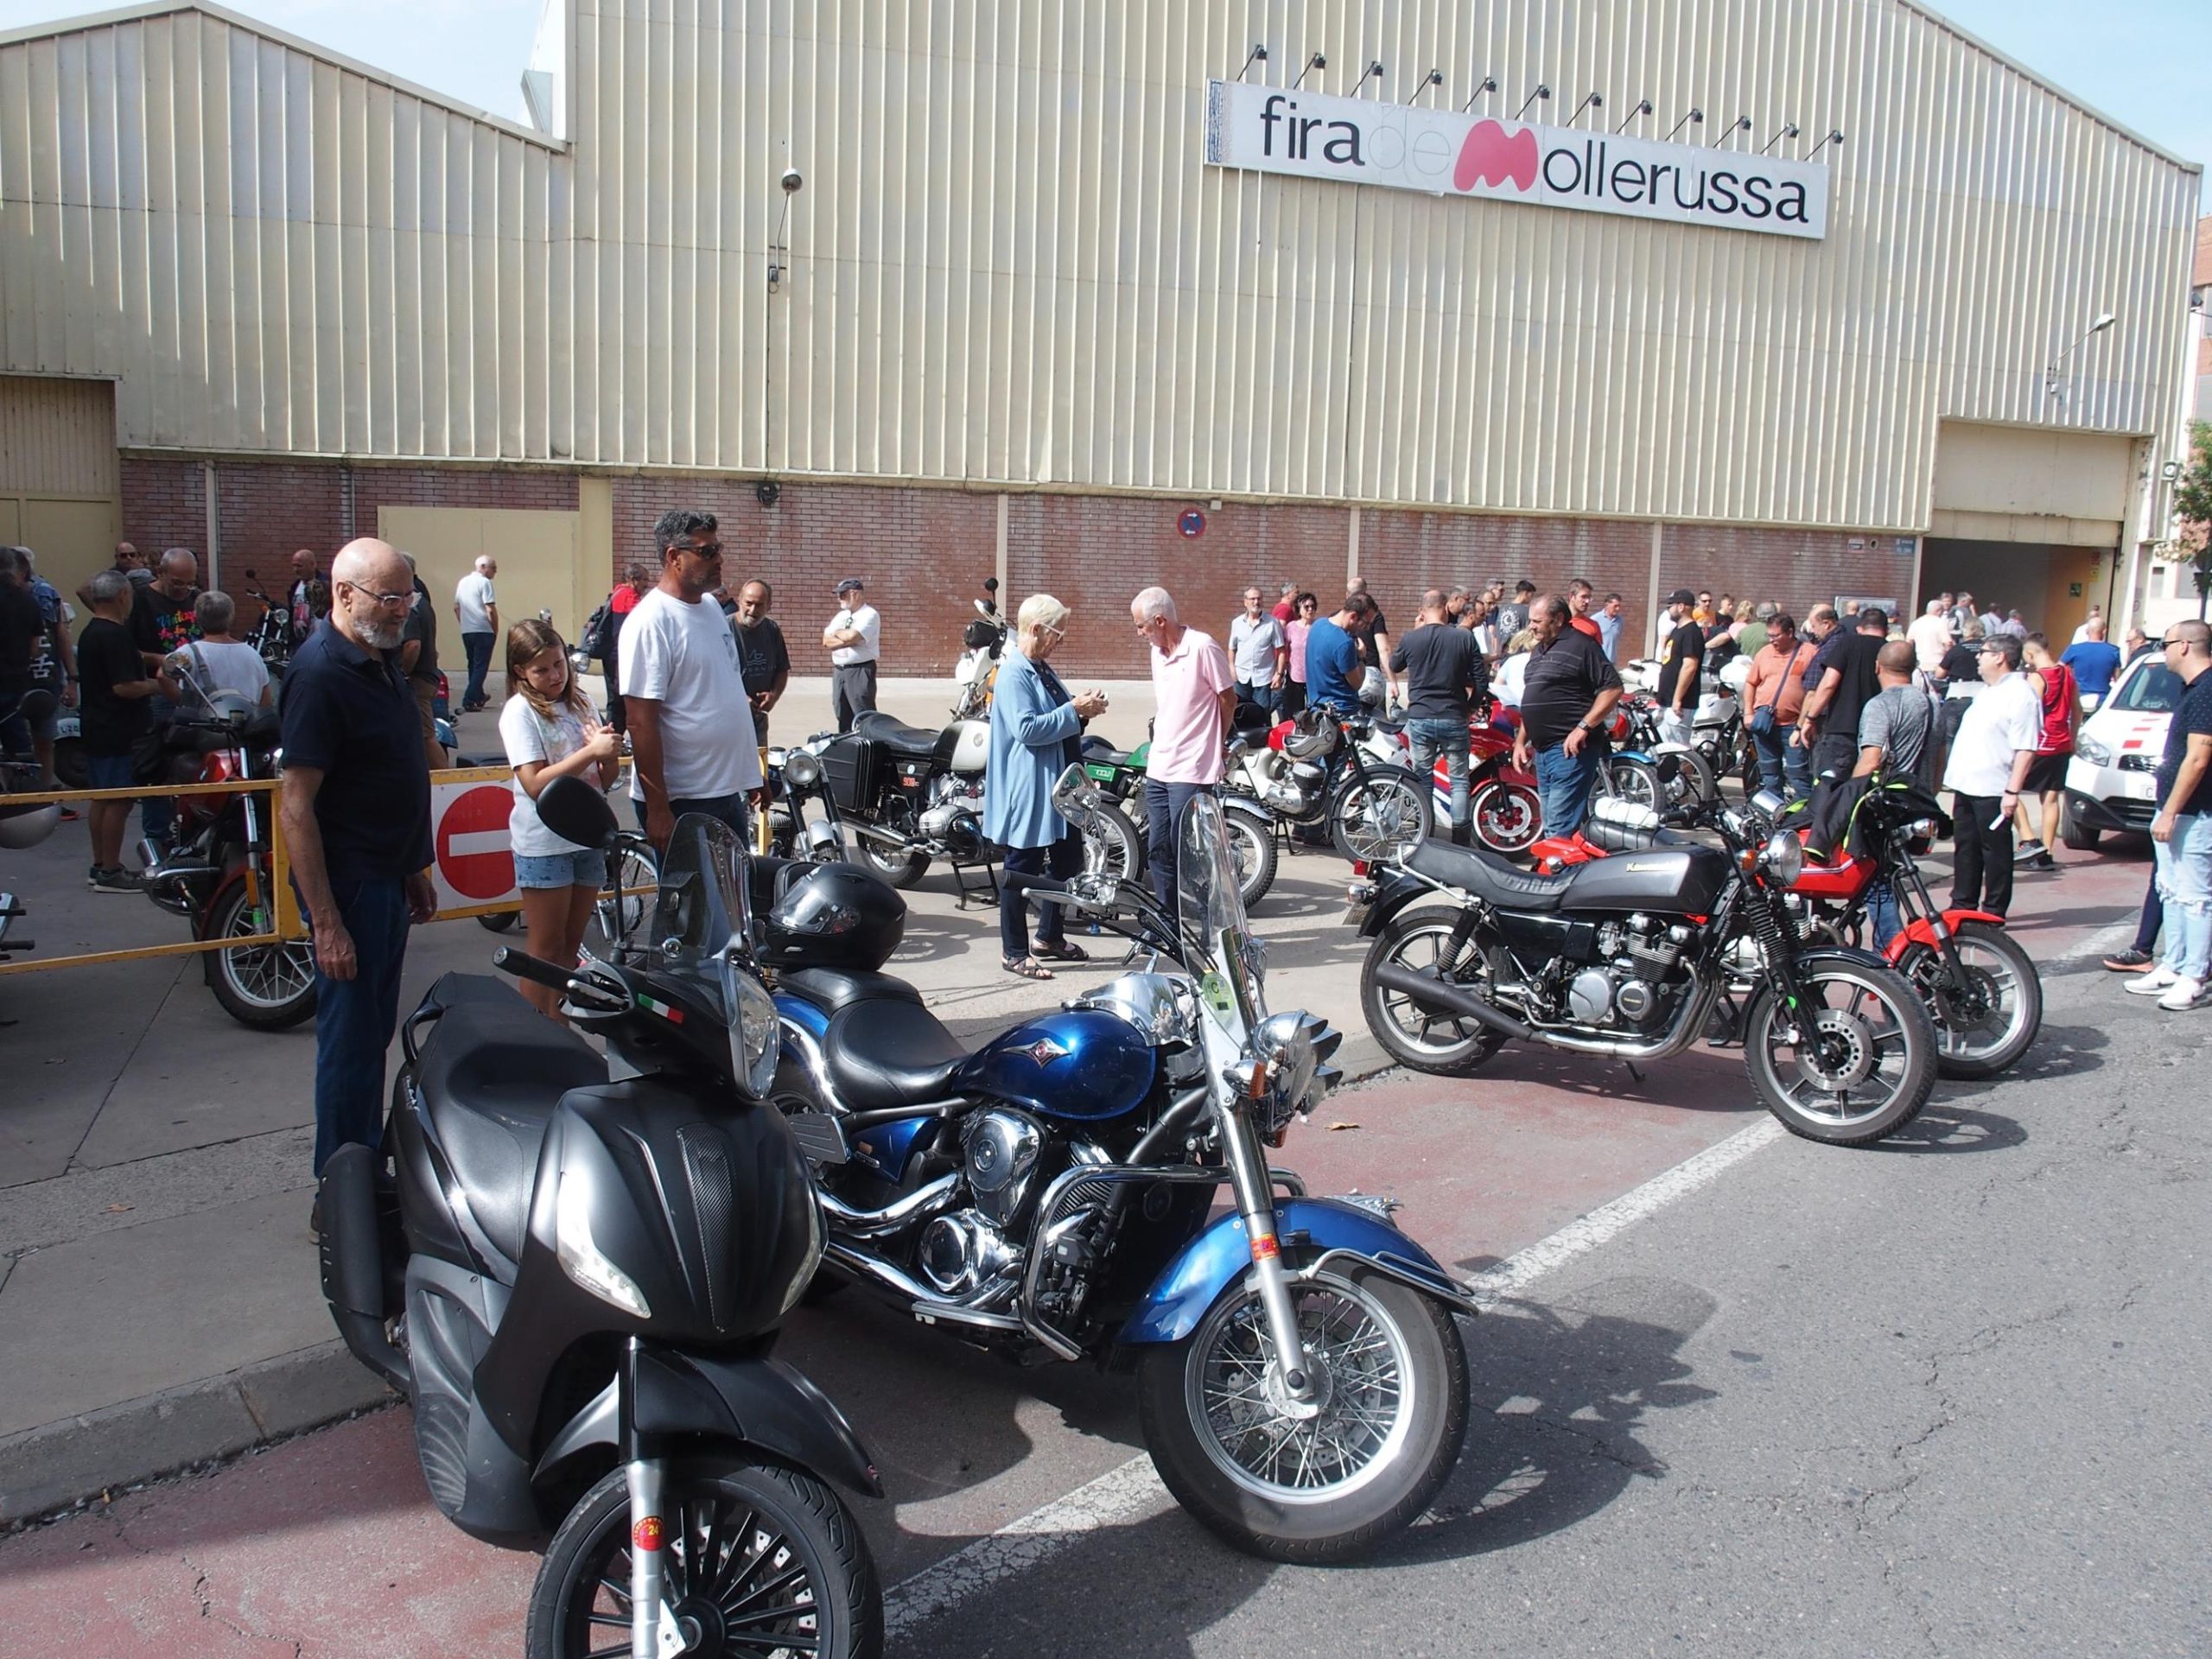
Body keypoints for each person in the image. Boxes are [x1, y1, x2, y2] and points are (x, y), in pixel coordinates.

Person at [279, 538, 436, 1179]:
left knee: (371, 1038)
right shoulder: (320, 674)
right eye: (390, 597)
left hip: (385, 878)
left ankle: (363, 1169)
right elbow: (297, 808)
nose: (403, 610)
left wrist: (412, 866)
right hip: (349, 887)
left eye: (407, 597)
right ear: (344, 595)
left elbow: (384, 776)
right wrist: (326, 921)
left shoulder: (378, 659)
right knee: (348, 1048)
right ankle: (341, 1189)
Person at [499, 617, 621, 1022]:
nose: (554, 675)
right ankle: (534, 1037)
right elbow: (535, 784)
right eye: (542, 669)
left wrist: (607, 756)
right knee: (545, 950)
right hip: (545, 843)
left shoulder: (580, 701)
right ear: (520, 672)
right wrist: (590, 753)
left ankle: (558, 1029)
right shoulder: (520, 713)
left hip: (586, 837)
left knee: (570, 948)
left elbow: (606, 779)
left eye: (559, 664)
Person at [985, 594, 1109, 981]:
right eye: (1057, 632)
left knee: (1067, 860)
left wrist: (1082, 709)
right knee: (1021, 867)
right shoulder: (1014, 673)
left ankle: (1049, 937)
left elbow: (1059, 716)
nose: (1061, 640)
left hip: (1059, 784)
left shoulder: (1041, 667)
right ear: (1036, 630)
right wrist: (1074, 710)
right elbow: (1027, 729)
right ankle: (1014, 951)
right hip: (1031, 787)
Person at [625, 510, 762, 849]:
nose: (719, 559)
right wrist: (657, 808)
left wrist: (749, 773)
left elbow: (725, 693)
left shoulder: (713, 610)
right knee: (694, 901)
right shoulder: (651, 622)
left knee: (733, 897)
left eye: (719, 548)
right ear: (674, 557)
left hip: (725, 790)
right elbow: (641, 723)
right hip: (683, 800)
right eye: (707, 551)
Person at [2123, 621, 2212, 1011]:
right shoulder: (2193, 690)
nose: (2163, 651)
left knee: (2195, 898)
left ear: (2187, 646)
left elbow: (2198, 757)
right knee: (2171, 890)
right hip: (2176, 811)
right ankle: (2173, 965)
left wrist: (2171, 811)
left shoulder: (2208, 690)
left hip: (2195, 813)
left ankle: (2195, 975)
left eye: (2168, 643)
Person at [1131, 587, 1235, 917]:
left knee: (1191, 853)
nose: (1139, 634)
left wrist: (1216, 742)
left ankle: (1211, 926)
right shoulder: (1156, 653)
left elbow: (1228, 698)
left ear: (1160, 620)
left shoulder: (1202, 647)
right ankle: (1167, 921)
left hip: (1192, 769)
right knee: (1158, 848)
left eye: (1142, 626)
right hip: (1160, 765)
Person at [1940, 632, 2041, 919]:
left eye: (1983, 652)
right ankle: (1963, 903)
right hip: (1967, 785)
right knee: (1966, 848)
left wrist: (2012, 792)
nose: (1977, 657)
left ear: (2000, 657)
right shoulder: (1988, 690)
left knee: (1994, 853)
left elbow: (2026, 748)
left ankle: (1994, 910)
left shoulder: (2021, 694)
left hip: (1994, 788)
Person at [73, 570, 162, 892]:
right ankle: (111, 870)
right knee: (119, 801)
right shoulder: (114, 635)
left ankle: (100, 865)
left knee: (102, 798)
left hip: (97, 725)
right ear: (123, 596)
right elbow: (124, 686)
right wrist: (157, 685)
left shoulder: (91, 632)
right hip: (117, 729)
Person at [1847, 641, 1939, 944]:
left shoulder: (1881, 705)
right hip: (1917, 802)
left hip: (1886, 805)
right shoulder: (1931, 704)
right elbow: (1939, 758)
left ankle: (1890, 953)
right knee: (1893, 876)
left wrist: (1847, 799)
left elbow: (1870, 758)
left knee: (1877, 881)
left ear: (1877, 666)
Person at [1513, 594, 1623, 837]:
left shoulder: (1582, 645)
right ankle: (1559, 871)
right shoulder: (1538, 651)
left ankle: (1559, 873)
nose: (1531, 626)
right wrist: (1521, 742)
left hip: (1569, 751)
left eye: (1537, 621)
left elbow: (1613, 688)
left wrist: (1583, 727)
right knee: (1551, 822)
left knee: (1559, 827)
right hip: (1542, 753)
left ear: (1559, 619)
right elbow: (1533, 701)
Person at [1392, 590, 1489, 845]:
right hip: (1454, 716)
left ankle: (1424, 837)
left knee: (1423, 778)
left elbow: (1394, 665)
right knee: (1459, 780)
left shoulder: (1412, 638)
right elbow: (1481, 679)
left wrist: (1416, 630)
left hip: (1421, 715)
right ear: (1446, 608)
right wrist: (1471, 706)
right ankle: (1460, 842)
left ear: (1422, 611)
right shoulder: (1463, 637)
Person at [15, 547, 79, 803]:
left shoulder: (43, 592)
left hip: (43, 673)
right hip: (22, 677)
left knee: (43, 737)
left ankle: (43, 789)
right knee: (31, 738)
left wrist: (71, 678)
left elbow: (60, 635)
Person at [2013, 632, 2079, 872]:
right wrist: (2073, 737)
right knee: (2050, 799)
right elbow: (2077, 709)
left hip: (2040, 743)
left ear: (2030, 653)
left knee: (2009, 789)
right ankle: (2047, 854)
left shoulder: (2037, 678)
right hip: (2061, 742)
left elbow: (2032, 711)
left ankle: (2029, 839)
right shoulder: (2068, 674)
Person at [1799, 607, 1886, 782]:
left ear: (1859, 628)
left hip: (1842, 727)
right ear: (1886, 630)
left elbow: (1828, 684)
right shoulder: (1890, 651)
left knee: (1830, 789)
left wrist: (1810, 719)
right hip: (1877, 733)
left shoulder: (1847, 644)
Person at [1742, 613, 1817, 798]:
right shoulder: (1764, 653)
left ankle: (1802, 819)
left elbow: (1816, 689)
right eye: (1769, 636)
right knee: (1769, 775)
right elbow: (1751, 683)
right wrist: (1748, 713)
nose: (1771, 640)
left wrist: (1807, 723)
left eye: (1776, 636)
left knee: (1799, 775)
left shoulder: (1809, 652)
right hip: (1765, 723)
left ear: (1790, 633)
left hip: (1794, 726)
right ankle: (1774, 815)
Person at [162, 591, 270, 709]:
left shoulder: (189, 652)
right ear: (232, 616)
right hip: (247, 723)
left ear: (196, 616)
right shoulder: (253, 654)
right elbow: (265, 698)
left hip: (204, 723)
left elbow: (162, 676)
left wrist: (184, 703)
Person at [731, 578, 790, 747]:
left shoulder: (772, 629)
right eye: (748, 603)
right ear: (739, 600)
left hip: (758, 715)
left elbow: (782, 669)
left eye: (759, 605)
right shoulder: (724, 629)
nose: (753, 610)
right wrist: (739, 698)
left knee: (758, 767)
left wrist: (774, 696)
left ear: (769, 606)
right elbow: (713, 676)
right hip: (728, 716)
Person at [396, 555, 442, 771]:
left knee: (426, 736)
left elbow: (412, 645)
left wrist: (402, 674)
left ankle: (446, 781)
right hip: (426, 674)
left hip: (418, 678)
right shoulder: (422, 599)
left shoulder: (412, 605)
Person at [823, 576, 880, 733]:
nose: (839, 598)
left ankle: (868, 745)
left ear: (855, 594)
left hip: (860, 670)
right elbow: (826, 641)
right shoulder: (842, 616)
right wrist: (843, 637)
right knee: (841, 710)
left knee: (862, 713)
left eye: (843, 594)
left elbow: (853, 637)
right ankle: (848, 745)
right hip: (840, 671)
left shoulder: (869, 614)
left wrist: (844, 637)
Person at [1303, 594, 1369, 719]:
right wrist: (1361, 658)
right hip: (1342, 713)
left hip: (1316, 708)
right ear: (1353, 616)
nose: (1366, 628)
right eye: (1365, 624)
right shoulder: (1344, 643)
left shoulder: (1318, 625)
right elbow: (1357, 683)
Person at [1653, 588, 1705, 746]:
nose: (1668, 609)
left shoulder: (1691, 632)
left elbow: (1690, 666)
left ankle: (1686, 771)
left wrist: (1677, 699)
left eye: (1670, 606)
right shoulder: (1677, 630)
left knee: (1678, 750)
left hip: (1680, 704)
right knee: (1664, 748)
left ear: (1681, 607)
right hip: (1667, 701)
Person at [1228, 585, 1288, 715]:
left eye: (1259, 599)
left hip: (1263, 679)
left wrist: (1279, 674)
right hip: (1241, 678)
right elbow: (1232, 649)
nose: (1256, 602)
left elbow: (1281, 650)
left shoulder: (1273, 623)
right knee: (1239, 714)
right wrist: (1232, 668)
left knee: (1261, 715)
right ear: (1245, 602)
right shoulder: (1237, 623)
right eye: (1253, 599)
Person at [452, 555, 499, 711]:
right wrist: (495, 629)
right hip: (483, 629)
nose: (495, 572)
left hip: (467, 630)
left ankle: (478, 695)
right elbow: (490, 609)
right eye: (494, 568)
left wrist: (463, 623)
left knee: (473, 663)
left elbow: (457, 607)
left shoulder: (463, 582)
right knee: (481, 666)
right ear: (484, 567)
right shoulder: (485, 583)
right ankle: (469, 699)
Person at [1344, 576, 1396, 705]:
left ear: (1347, 595)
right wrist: (1393, 681)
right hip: (1371, 676)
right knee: (1377, 721)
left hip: (1348, 674)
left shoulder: (1339, 617)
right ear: (1365, 594)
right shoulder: (1375, 615)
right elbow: (1384, 650)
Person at [2060, 618, 2122, 712]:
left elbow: (2058, 669)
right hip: (2103, 699)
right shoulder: (2114, 651)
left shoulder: (2074, 649)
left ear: (2087, 631)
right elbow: (2118, 680)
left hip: (2078, 697)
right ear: (2104, 631)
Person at [1282, 591, 1318, 715]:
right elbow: (1285, 650)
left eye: (1313, 606)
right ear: (1299, 609)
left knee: (1314, 710)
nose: (1310, 610)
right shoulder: (1291, 627)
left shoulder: (1318, 627)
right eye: (1306, 607)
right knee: (1295, 711)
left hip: (1314, 676)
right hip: (1294, 675)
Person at [1907, 599, 1955, 675]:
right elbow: (1948, 643)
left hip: (1920, 665)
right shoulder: (1940, 623)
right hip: (1937, 664)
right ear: (1938, 611)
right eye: (1942, 612)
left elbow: (1909, 643)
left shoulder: (1916, 623)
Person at [1492, 581, 1533, 652]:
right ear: (1525, 593)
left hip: (1501, 653)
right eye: (1531, 595)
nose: (1531, 598)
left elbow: (1495, 635)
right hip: (1517, 653)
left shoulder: (1503, 609)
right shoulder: (1526, 611)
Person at [1595, 592, 1626, 663]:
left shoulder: (1620, 621)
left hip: (1612, 661)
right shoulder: (1595, 620)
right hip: (1598, 661)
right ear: (1607, 605)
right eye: (1615, 606)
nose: (1618, 609)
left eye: (1619, 606)